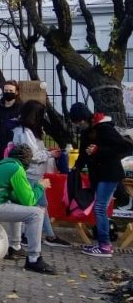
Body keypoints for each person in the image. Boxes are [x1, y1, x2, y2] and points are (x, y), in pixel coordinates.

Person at [0, 144, 58, 274]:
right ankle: (34, 259)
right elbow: (29, 200)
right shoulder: (17, 169)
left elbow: (15, 197)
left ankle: (15, 246)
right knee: (37, 213)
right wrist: (40, 186)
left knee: (19, 207)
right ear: (27, 161)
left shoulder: (3, 164)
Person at [70, 102, 129, 257]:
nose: (78, 125)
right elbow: (83, 153)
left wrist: (99, 150)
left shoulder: (104, 128)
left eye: (78, 122)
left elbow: (124, 147)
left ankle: (105, 246)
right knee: (100, 208)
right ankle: (103, 244)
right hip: (99, 174)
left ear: (83, 119)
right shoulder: (86, 133)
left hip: (109, 173)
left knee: (100, 208)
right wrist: (76, 167)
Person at [11, 100, 71, 247]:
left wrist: (47, 152)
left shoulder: (28, 131)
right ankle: (35, 236)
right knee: (34, 205)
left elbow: (35, 152)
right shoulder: (25, 132)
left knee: (40, 205)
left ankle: (44, 235)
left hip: (35, 173)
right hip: (29, 173)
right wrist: (50, 155)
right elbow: (32, 155)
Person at [0, 80, 22, 153]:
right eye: (6, 90)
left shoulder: (22, 109)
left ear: (17, 92)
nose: (8, 92)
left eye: (11, 90)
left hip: (16, 147)